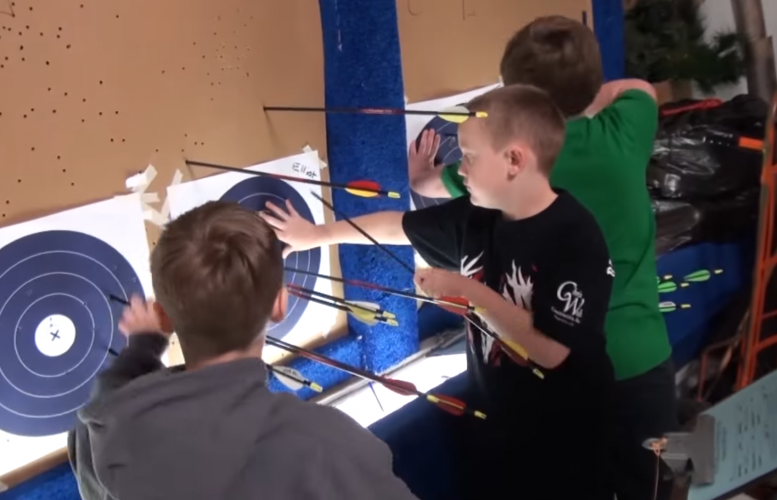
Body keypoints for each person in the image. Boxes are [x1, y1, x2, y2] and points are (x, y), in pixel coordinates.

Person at [264, 85, 616, 500]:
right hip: (497, 428)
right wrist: (317, 235)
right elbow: (397, 226)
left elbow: (552, 352)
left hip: (564, 444)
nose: (460, 170)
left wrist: (467, 291)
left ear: (515, 160)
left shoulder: (574, 236)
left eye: (469, 157)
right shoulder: (477, 216)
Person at [408, 16, 677, 500]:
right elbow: (638, 88)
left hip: (567, 378)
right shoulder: (623, 132)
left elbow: (430, 184)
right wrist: (582, 94)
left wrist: (419, 173)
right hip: (643, 362)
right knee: (651, 487)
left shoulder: (509, 163)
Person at [67, 202, 419, 500]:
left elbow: (111, 406)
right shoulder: (329, 443)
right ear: (280, 305)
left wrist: (142, 351)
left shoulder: (106, 434)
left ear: (164, 317)